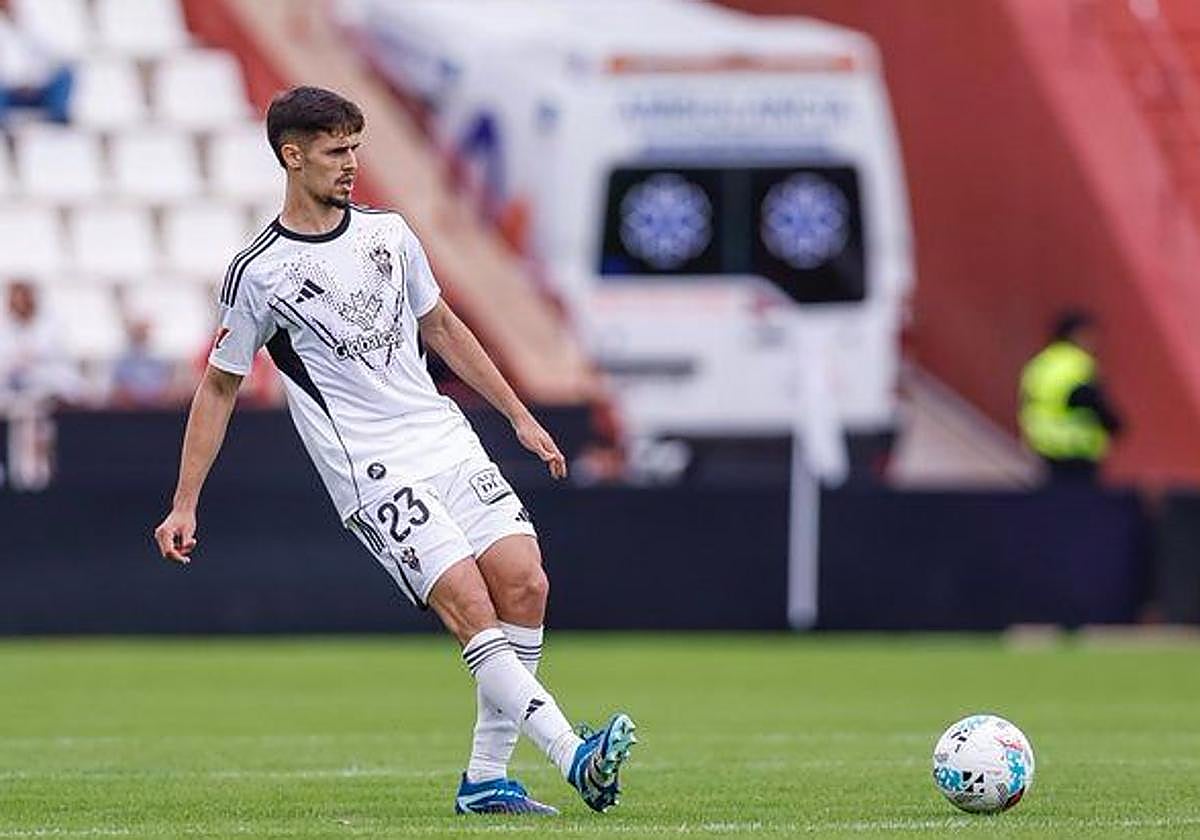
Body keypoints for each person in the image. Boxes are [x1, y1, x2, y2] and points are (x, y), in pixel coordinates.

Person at [151, 86, 636, 816]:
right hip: (370, 468)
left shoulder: (390, 234)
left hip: (443, 436)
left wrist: (518, 417)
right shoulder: (259, 273)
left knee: (525, 583)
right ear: (293, 155)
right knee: (469, 603)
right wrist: (184, 502)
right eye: (336, 150)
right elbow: (217, 389)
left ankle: (485, 781)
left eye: (356, 147)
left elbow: (442, 328)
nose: (352, 164)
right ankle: (573, 754)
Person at [1019, 310, 1122, 483]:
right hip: (1075, 448)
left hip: (1043, 445)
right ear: (1077, 334)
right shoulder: (1076, 363)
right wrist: (1113, 423)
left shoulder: (1041, 363)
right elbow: (1087, 398)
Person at [0, 1, 74, 126]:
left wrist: (32, 81)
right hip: (8, 91)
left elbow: (51, 56)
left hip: (38, 88)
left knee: (66, 73)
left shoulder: (32, 25)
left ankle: (56, 118)